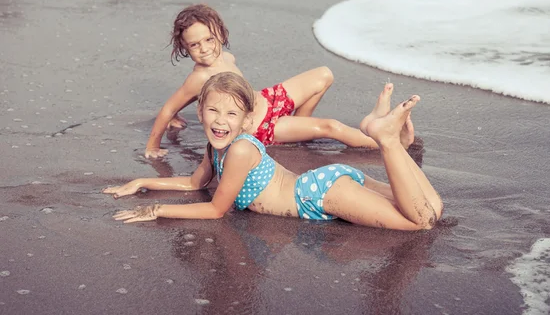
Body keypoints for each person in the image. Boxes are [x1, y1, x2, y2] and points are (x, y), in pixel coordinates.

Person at [105, 72, 442, 231]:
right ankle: (383, 135)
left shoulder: (238, 152)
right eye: (213, 111)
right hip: (325, 183)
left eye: (232, 114)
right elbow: (194, 183)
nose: (220, 122)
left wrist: (157, 211)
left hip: (319, 196)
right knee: (432, 208)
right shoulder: (215, 148)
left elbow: (216, 209)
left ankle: (387, 140)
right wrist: (142, 182)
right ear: (200, 111)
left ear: (247, 120)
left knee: (422, 223)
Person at [144, 4, 418, 159]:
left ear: (219, 33)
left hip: (269, 98)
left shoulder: (227, 57)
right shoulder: (199, 77)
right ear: (184, 47)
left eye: (208, 40)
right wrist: (153, 146)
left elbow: (179, 108)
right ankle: (388, 142)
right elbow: (170, 106)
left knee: (324, 74)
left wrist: (177, 117)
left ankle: (299, 132)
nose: (204, 49)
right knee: (331, 127)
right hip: (262, 126)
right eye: (194, 45)